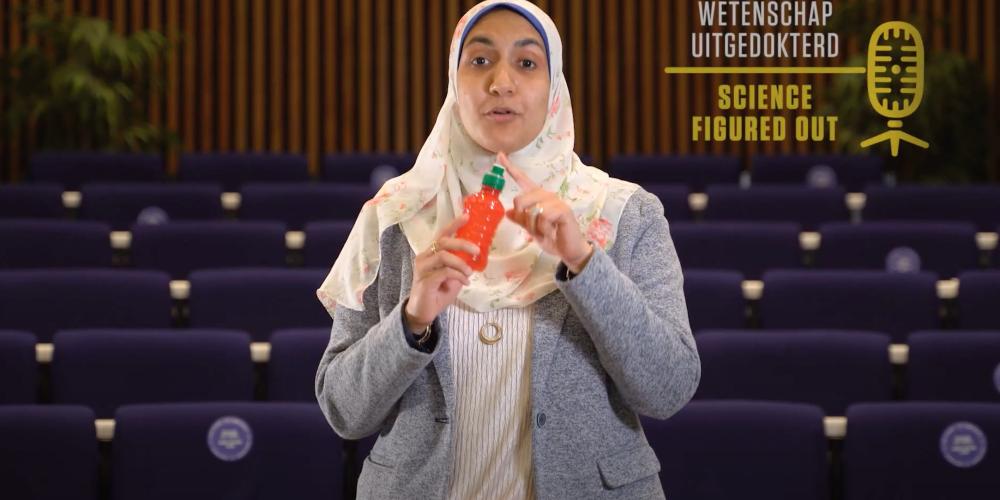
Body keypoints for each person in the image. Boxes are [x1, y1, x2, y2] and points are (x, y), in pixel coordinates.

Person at [314, 1, 700, 498]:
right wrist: (411, 321)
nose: (501, 82)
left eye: (527, 62)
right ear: (454, 82)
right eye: (480, 60)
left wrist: (585, 264)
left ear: (554, 86)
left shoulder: (624, 213)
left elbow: (668, 389)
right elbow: (344, 411)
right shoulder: (395, 216)